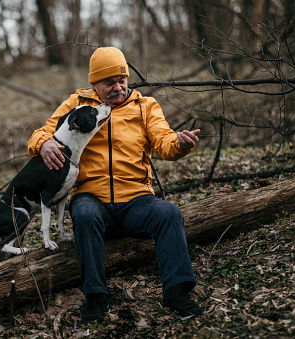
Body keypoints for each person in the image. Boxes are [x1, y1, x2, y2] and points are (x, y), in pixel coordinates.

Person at [27, 47, 203, 324]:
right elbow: (42, 132)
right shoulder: (77, 104)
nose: (118, 87)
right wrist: (44, 142)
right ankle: (96, 298)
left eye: (122, 80)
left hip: (136, 200)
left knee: (169, 213)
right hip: (91, 198)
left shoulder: (145, 106)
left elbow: (164, 141)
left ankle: (176, 293)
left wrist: (180, 144)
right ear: (94, 84)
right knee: (83, 213)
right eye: (109, 82)